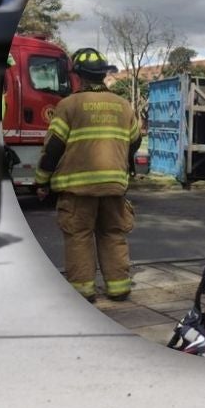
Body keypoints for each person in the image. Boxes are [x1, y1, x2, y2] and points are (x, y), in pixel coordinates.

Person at [34, 47, 141, 302]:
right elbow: (135, 142)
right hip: (114, 187)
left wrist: (42, 181)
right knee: (113, 234)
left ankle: (83, 292)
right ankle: (118, 288)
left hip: (77, 189)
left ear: (78, 76)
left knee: (79, 236)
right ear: (104, 75)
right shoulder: (124, 106)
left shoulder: (69, 105)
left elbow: (53, 148)